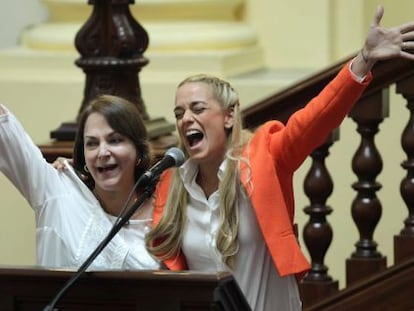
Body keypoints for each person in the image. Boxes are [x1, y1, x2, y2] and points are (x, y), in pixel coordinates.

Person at [145, 5, 414, 311]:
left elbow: (316, 118)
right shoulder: (172, 183)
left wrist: (363, 61)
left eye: (197, 108)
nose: (185, 119)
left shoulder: (265, 159)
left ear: (229, 116)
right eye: (179, 113)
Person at [0, 94, 160, 270]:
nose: (102, 152)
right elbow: (7, 135)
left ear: (138, 149)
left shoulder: (167, 214)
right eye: (92, 143)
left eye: (115, 140)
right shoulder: (56, 192)